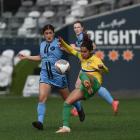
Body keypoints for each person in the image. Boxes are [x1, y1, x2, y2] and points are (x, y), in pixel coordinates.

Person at [18, 24, 85, 130]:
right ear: (43, 35)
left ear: (53, 33)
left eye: (50, 33)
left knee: (68, 99)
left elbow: (72, 52)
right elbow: (41, 57)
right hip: (45, 76)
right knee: (41, 98)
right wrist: (26, 57)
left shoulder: (58, 43)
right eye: (46, 33)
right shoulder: (42, 44)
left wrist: (68, 49)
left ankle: (79, 108)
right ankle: (40, 122)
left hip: (58, 76)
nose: (48, 35)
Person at [56, 37, 119, 133]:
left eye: (84, 52)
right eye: (81, 51)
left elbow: (106, 71)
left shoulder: (96, 60)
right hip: (86, 88)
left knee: (82, 73)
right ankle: (66, 127)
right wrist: (62, 42)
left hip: (95, 84)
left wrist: (103, 67)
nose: (82, 53)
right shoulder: (81, 56)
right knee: (67, 102)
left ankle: (87, 84)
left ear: (90, 51)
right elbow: (71, 49)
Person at [71, 21, 119, 114]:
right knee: (89, 86)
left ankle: (77, 109)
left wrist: (75, 48)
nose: (76, 29)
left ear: (82, 28)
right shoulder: (80, 38)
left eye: (78, 27)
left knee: (79, 85)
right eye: (75, 27)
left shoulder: (83, 36)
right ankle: (113, 102)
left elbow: (93, 47)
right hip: (88, 64)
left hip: (91, 64)